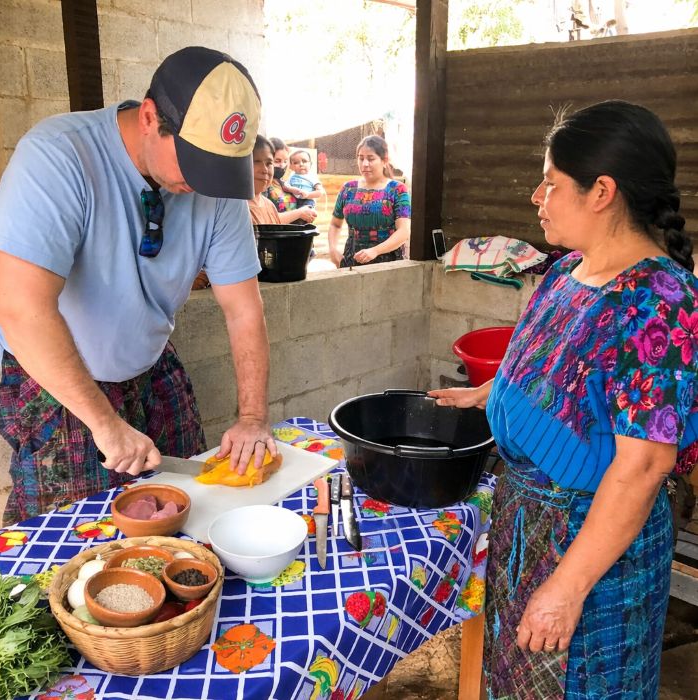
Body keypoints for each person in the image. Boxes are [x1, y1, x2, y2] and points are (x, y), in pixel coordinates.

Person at [429, 100, 697, 699]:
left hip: (590, 550)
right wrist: (489, 395)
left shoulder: (660, 301)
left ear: (601, 191)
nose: (536, 196)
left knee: (581, 684)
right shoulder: (567, 271)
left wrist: (566, 589)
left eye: (550, 183)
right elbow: (554, 374)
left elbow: (646, 463)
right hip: (525, 522)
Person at [0, 47, 277, 526]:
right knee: (78, 535)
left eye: (217, 167)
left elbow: (244, 311)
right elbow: (21, 308)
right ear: (149, 116)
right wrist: (105, 424)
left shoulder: (215, 185)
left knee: (186, 509)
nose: (203, 182)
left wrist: (252, 416)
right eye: (193, 161)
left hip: (149, 363)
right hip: (55, 376)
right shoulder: (59, 157)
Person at [327, 135, 411, 268]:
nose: (365, 164)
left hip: (388, 264)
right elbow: (335, 225)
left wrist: (375, 251)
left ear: (384, 160)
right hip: (352, 262)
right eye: (361, 158)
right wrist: (332, 249)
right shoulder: (348, 189)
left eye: (371, 159)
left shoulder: (397, 190)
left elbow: (404, 231)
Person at [265, 137, 317, 226]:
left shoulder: (285, 184)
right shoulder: (263, 186)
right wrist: (299, 213)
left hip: (294, 236)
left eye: (285, 161)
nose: (282, 165)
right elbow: (265, 219)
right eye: (277, 161)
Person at [248, 135, 281, 225]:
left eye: (269, 163)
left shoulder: (270, 206)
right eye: (256, 162)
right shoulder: (233, 209)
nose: (265, 170)